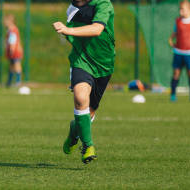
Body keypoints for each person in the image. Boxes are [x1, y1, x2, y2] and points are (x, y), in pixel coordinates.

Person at [53, 0, 115, 164]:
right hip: (81, 61)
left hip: (104, 64)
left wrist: (67, 30)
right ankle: (88, 146)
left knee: (90, 113)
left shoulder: (103, 4)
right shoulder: (73, 9)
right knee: (80, 98)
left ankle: (75, 131)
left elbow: (97, 29)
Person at [4, 14, 24, 87]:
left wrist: (11, 49)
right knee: (11, 66)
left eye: (5, 21)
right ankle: (9, 82)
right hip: (12, 51)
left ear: (10, 21)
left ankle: (18, 81)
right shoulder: (10, 30)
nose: (4, 22)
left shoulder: (13, 30)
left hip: (15, 51)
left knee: (17, 65)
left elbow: (13, 41)